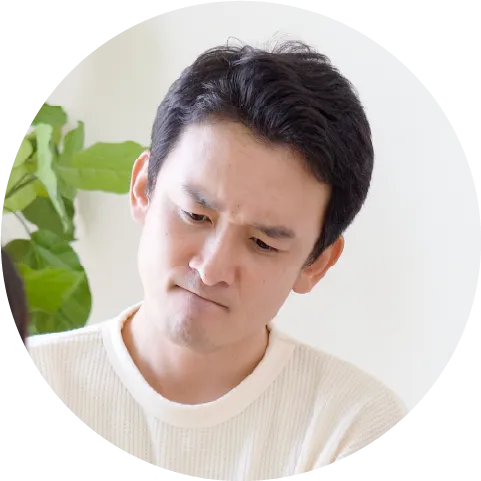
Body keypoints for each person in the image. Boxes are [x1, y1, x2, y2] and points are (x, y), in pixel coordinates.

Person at [24, 40, 408, 478]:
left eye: (263, 243)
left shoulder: (352, 427)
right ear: (143, 189)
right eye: (195, 215)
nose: (210, 269)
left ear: (316, 263)